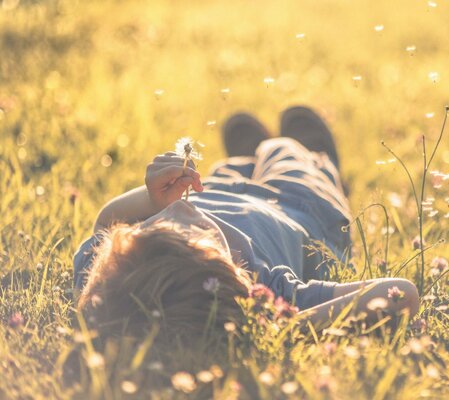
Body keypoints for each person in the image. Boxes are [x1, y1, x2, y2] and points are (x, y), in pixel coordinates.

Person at [73, 106, 419, 339]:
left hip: (221, 190)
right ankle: (314, 158)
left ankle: (252, 154)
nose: (177, 211)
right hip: (298, 207)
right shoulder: (266, 290)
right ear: (225, 265)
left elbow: (106, 223)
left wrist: (152, 199)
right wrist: (283, 324)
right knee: (286, 149)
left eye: (155, 224)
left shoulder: (113, 272)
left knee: (232, 162)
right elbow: (400, 293)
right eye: (189, 232)